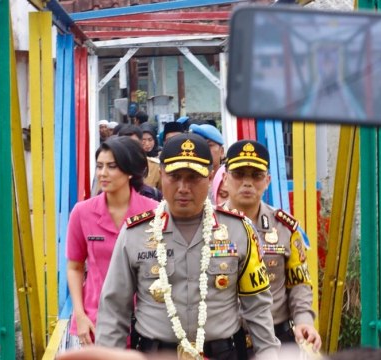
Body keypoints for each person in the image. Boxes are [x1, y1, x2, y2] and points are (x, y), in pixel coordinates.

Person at [95, 133, 280, 359]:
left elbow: (257, 307)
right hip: (156, 353)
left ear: (211, 177)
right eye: (174, 176)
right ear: (161, 175)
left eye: (193, 177)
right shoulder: (135, 233)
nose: (183, 187)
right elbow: (114, 310)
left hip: (223, 353)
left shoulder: (239, 230)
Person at [221, 140, 321, 352]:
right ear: (225, 178)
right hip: (224, 344)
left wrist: (304, 321)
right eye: (239, 174)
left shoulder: (285, 227)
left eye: (256, 175)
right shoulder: (206, 226)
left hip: (277, 339)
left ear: (267, 180)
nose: (247, 183)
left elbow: (299, 283)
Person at [66, 137, 158, 348]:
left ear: (129, 171)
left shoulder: (154, 212)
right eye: (99, 166)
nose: (102, 173)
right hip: (97, 320)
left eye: (111, 166)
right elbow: (75, 267)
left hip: (148, 322)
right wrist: (79, 316)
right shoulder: (82, 213)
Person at [139, 123, 162, 190]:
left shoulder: (160, 155)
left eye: (150, 140)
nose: (147, 144)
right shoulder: (135, 157)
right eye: (143, 140)